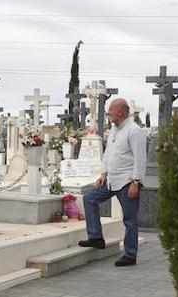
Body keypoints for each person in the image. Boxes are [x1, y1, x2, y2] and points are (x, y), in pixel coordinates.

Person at [78, 98, 146, 266]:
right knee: (89, 198)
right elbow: (109, 154)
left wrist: (135, 182)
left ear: (121, 112)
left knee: (129, 220)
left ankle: (130, 255)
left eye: (111, 110)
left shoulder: (134, 130)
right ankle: (96, 238)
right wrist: (103, 174)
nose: (109, 113)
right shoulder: (114, 130)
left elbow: (140, 158)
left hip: (127, 182)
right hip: (111, 180)